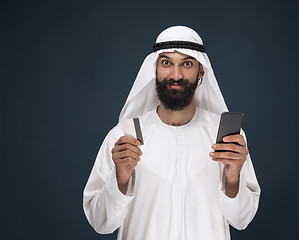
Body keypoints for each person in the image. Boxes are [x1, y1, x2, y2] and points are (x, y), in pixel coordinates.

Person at [83, 26, 260, 240]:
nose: (176, 75)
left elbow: (241, 221)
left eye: (187, 64)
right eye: (166, 63)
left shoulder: (227, 141)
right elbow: (101, 223)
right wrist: (120, 179)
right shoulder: (123, 138)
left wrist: (232, 178)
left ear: (201, 71)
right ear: (155, 69)